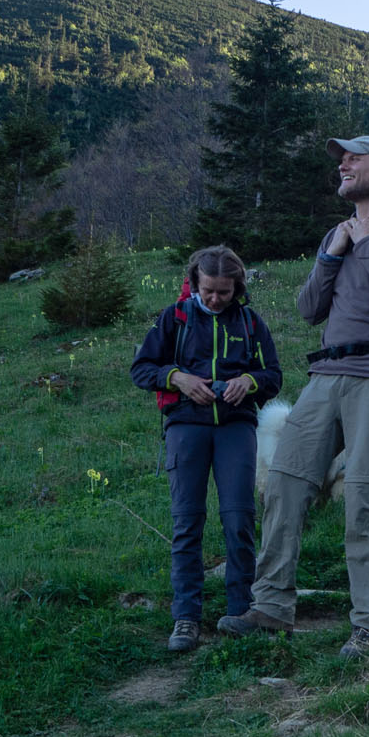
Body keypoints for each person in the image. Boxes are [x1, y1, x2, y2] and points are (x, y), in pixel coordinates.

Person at [218, 136, 369, 657]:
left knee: (367, 494)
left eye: (353, 158)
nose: (342, 163)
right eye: (342, 158)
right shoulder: (336, 235)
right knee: (286, 484)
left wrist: (366, 243)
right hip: (327, 375)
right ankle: (270, 607)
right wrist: (332, 252)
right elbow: (309, 308)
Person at [130, 245, 282, 652]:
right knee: (186, 524)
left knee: (239, 521)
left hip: (236, 428)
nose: (215, 299)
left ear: (238, 289)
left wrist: (248, 382)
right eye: (208, 291)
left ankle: (242, 611)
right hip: (185, 427)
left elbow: (273, 375)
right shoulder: (175, 317)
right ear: (194, 282)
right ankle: (186, 618)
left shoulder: (250, 321)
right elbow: (142, 368)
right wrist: (178, 378)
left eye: (224, 292)